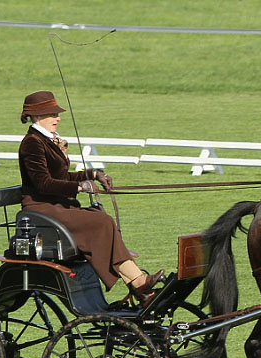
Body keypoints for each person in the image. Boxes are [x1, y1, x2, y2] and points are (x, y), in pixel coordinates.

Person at [17, 90, 163, 304]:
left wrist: (91, 174)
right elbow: (43, 183)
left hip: (58, 205)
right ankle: (138, 283)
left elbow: (61, 176)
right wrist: (78, 187)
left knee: (102, 219)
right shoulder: (32, 142)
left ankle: (139, 284)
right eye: (53, 114)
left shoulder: (48, 140)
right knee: (101, 221)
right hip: (42, 208)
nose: (58, 118)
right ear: (37, 116)